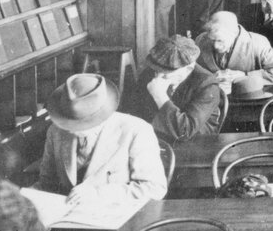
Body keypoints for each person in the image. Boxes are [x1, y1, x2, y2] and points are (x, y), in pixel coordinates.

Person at [28, 73, 168, 210]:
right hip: (70, 217)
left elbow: (154, 188)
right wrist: (25, 197)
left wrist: (99, 194)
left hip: (115, 217)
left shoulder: (137, 130)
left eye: (83, 122)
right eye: (69, 122)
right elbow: (47, 183)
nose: (71, 129)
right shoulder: (56, 130)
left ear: (103, 113)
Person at [121, 35, 227, 142]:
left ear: (188, 69)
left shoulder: (207, 85)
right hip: (157, 140)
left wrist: (160, 96)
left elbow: (185, 131)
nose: (158, 76)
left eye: (166, 72)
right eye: (156, 69)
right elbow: (133, 112)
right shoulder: (149, 74)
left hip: (195, 144)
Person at [196, 11, 273, 88]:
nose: (216, 46)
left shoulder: (257, 43)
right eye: (212, 40)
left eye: (220, 41)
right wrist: (210, 78)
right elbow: (191, 71)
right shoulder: (201, 40)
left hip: (247, 101)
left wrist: (246, 76)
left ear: (234, 33)